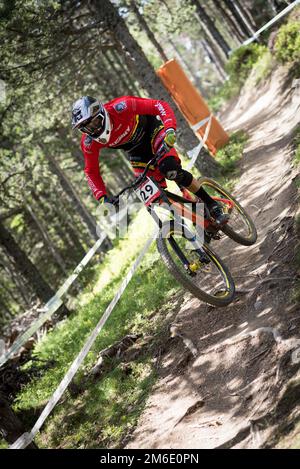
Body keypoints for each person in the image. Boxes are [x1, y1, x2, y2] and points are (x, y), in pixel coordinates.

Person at [71, 95, 228, 224]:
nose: (94, 129)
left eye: (95, 122)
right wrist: (102, 197)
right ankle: (197, 223)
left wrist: (170, 129)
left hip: (153, 132)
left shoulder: (122, 106)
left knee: (170, 170)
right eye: (87, 128)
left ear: (101, 113)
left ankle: (211, 204)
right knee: (154, 198)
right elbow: (91, 171)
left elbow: (159, 105)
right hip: (137, 152)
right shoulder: (89, 143)